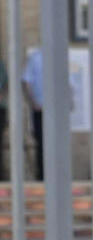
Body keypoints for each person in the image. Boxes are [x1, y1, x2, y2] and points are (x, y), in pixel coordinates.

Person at [21, 47, 43, 182]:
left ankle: (43, 176)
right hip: (48, 109)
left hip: (40, 108)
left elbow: (27, 83)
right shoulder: (37, 57)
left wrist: (33, 102)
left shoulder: (35, 58)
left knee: (41, 143)